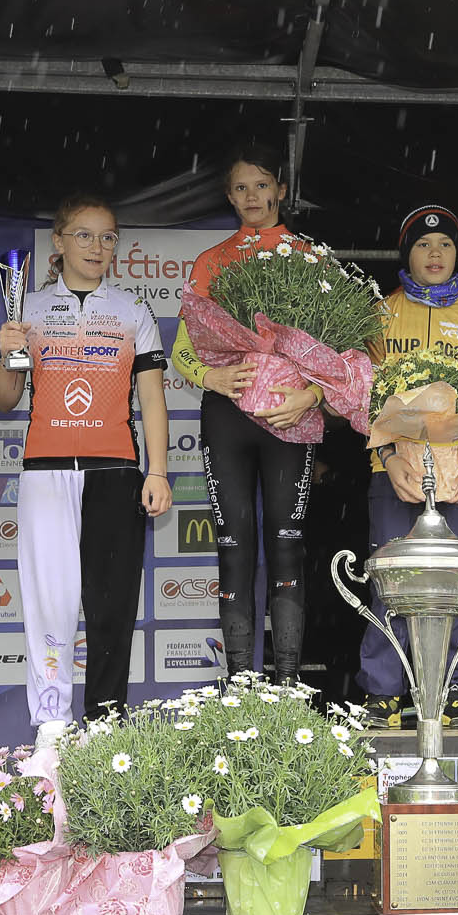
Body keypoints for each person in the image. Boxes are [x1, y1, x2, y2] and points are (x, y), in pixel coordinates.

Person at [0, 194, 171, 731]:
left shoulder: (132, 311)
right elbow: (5, 399)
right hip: (45, 470)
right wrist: (6, 355)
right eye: (85, 235)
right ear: (59, 241)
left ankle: (105, 724)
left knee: (111, 606)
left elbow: (152, 398)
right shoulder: (26, 309)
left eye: (108, 237)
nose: (98, 247)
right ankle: (51, 725)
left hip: (115, 470)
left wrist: (158, 471)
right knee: (49, 604)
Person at [170, 145, 323, 683]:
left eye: (261, 185)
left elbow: (337, 353)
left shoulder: (309, 257)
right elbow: (182, 347)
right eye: (241, 188)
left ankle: (287, 684)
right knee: (233, 545)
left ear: (280, 189)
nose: (252, 197)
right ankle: (239, 685)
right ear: (229, 196)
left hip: (288, 416)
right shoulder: (211, 261)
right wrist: (208, 377)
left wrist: (312, 396)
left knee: (287, 546)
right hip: (227, 415)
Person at [360, 204, 458, 728]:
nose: (435, 253)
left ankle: (451, 689)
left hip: (454, 472)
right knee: (388, 578)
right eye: (422, 244)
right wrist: (386, 456)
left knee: (453, 582)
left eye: (445, 244)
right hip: (392, 469)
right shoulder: (378, 313)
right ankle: (383, 692)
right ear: (406, 253)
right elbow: (364, 397)